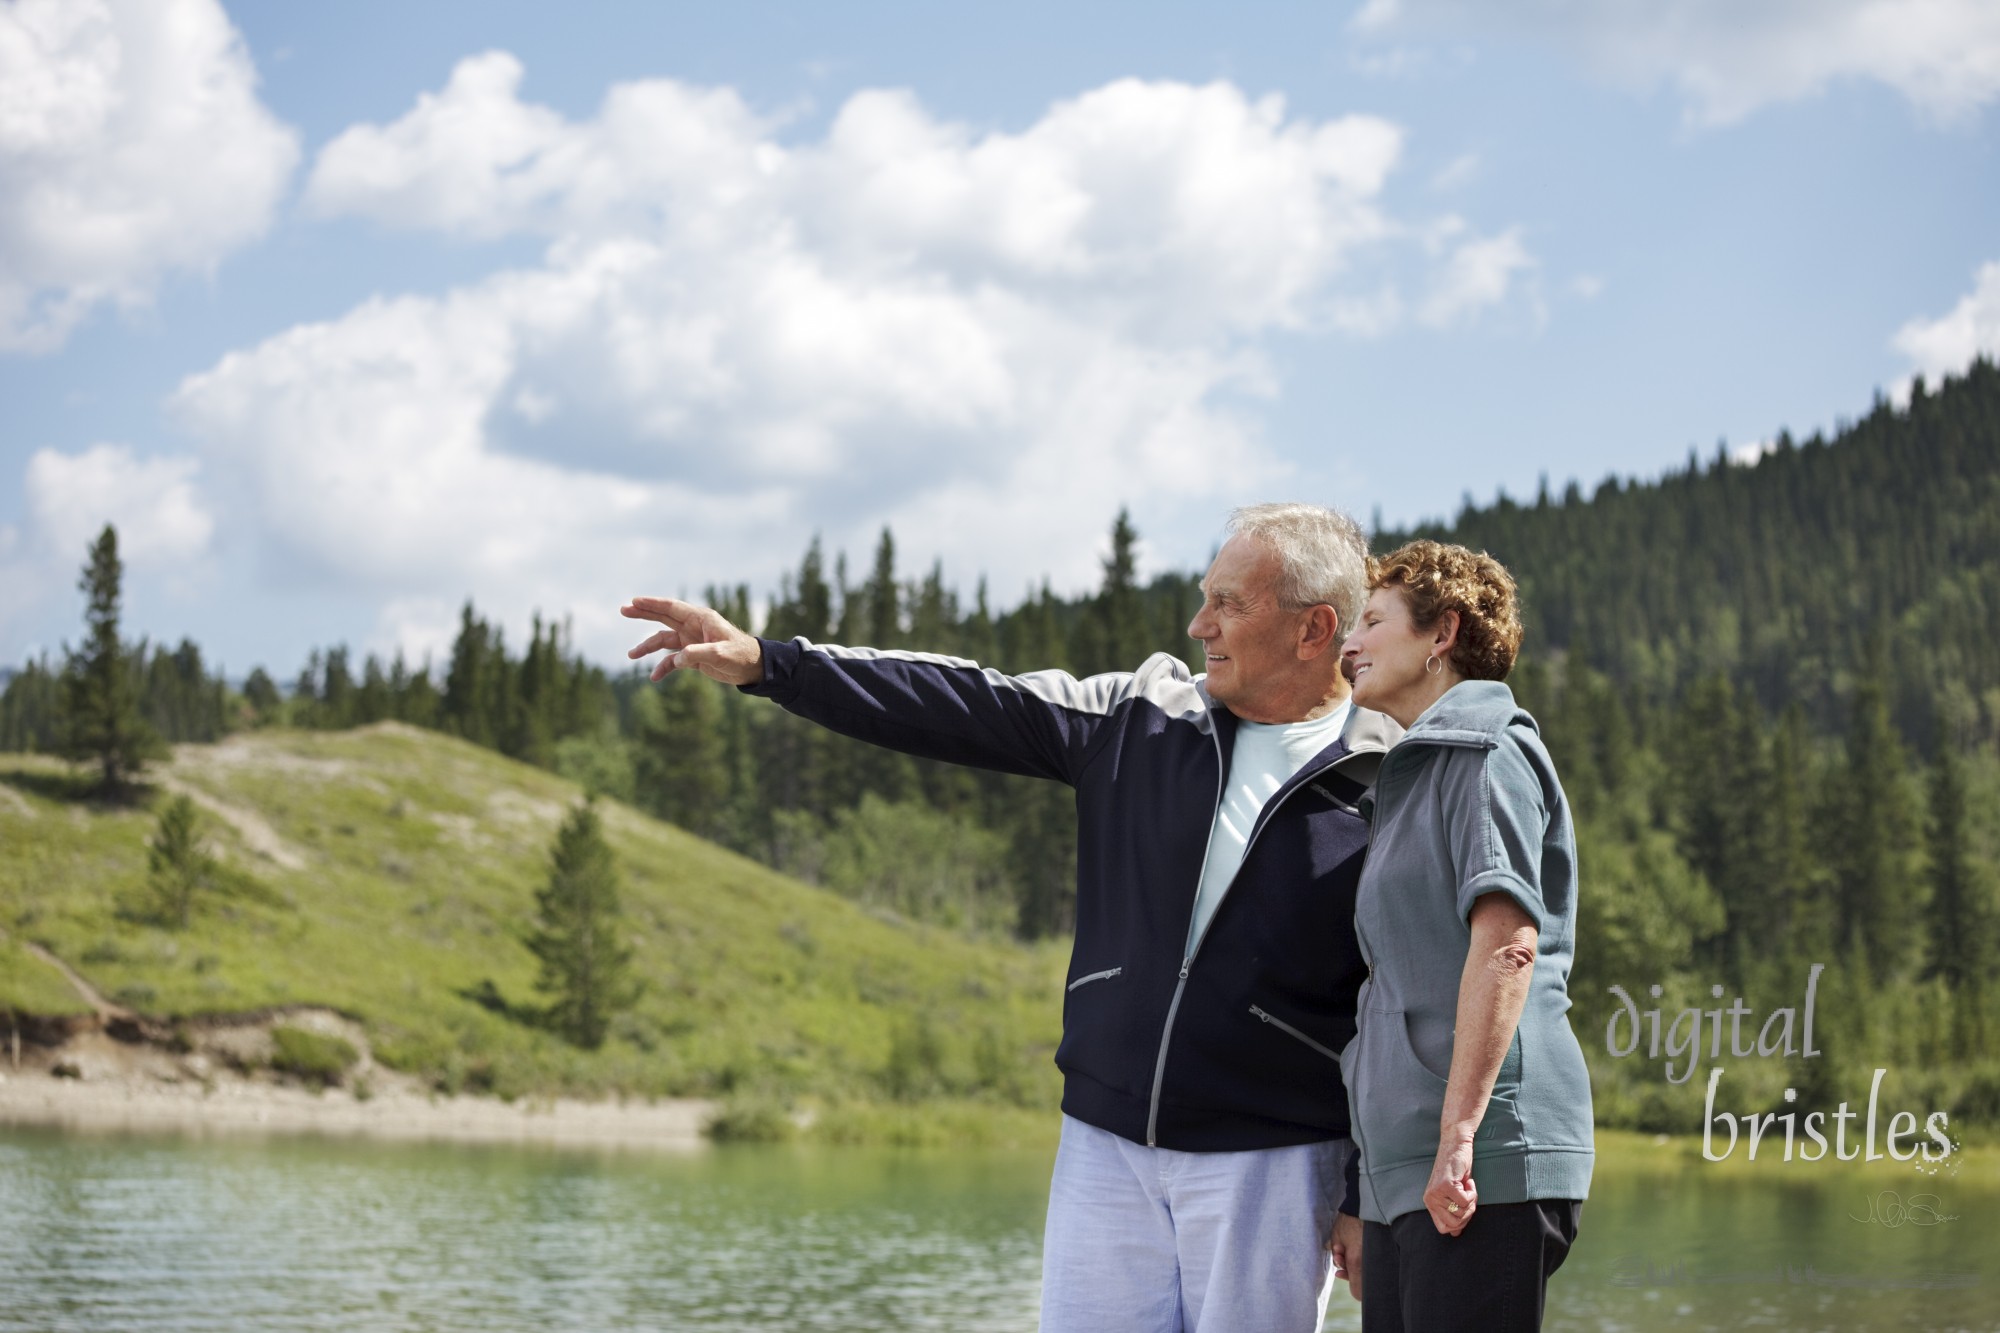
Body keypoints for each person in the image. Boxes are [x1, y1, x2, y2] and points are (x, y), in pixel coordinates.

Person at [622, 504, 1401, 1332]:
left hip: (1271, 1160)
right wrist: (770, 666)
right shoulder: (1137, 715)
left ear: (1315, 629)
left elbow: (1403, 1007)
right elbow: (960, 700)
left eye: (1229, 603)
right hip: (1105, 1145)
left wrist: (1361, 1188)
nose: (1198, 622)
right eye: (1205, 596)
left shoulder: (1394, 778)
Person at [1336, 540, 1593, 1332]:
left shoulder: (1490, 752)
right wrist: (1363, 1191)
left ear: (1441, 634)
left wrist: (1457, 1137)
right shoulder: (1406, 779)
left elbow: (1509, 942)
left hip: (1484, 1161)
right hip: (1407, 1167)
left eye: (1373, 621)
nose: (1350, 644)